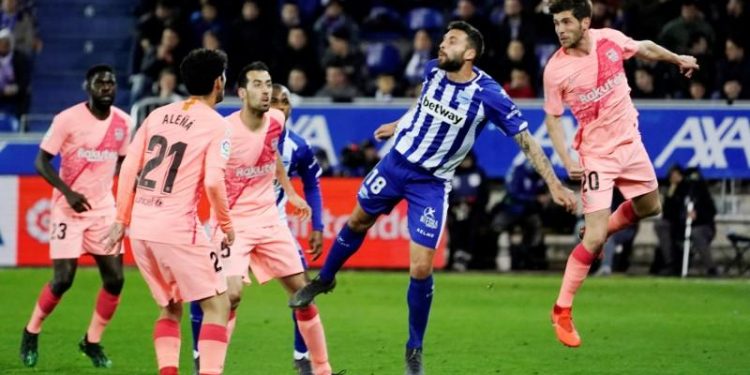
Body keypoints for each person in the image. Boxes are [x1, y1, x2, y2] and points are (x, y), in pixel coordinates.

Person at [290, 21, 576, 375]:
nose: (442, 45)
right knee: (357, 221)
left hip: (431, 183)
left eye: (451, 41)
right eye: (443, 39)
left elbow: (527, 142)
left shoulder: (489, 95)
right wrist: (399, 124)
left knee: (421, 266)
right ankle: (325, 279)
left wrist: (554, 184)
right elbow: (423, 104)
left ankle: (414, 348)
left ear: (469, 53)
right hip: (395, 164)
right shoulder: (433, 71)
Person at [542, 0, 700, 348]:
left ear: (585, 22)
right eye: (556, 23)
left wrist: (678, 59)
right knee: (595, 239)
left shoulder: (609, 39)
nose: (560, 29)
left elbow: (643, 47)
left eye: (566, 21)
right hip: (597, 156)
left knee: (650, 207)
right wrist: (566, 158)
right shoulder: (555, 70)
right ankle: (562, 309)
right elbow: (553, 118)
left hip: (631, 143)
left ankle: (600, 231)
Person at [188, 62, 336, 375]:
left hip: (270, 221)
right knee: (230, 296)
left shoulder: (277, 120)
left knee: (303, 294)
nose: (266, 90)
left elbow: (271, 155)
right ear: (241, 92)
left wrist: (290, 191)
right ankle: (210, 368)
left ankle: (321, 369)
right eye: (257, 84)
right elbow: (206, 176)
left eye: (268, 83)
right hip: (232, 225)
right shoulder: (222, 130)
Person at [102, 48, 235, 375]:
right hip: (178, 230)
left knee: (170, 307)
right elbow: (215, 183)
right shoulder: (217, 125)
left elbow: (129, 167)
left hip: (142, 230)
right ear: (219, 82)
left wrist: (121, 219)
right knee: (219, 305)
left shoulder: (158, 114)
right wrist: (226, 224)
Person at [19, 65, 130, 369]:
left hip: (103, 211)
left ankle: (91, 341)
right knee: (63, 280)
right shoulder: (67, 119)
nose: (107, 87)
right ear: (88, 87)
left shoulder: (124, 122)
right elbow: (41, 161)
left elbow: (122, 161)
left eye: (111, 83)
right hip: (69, 209)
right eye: (100, 83)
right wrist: (67, 192)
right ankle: (31, 331)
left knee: (116, 279)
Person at [272, 83, 326, 374]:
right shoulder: (239, 138)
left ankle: (302, 357)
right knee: (213, 291)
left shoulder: (298, 146)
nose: (281, 107)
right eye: (275, 102)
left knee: (303, 290)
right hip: (236, 225)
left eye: (285, 102)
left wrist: (317, 226)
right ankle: (198, 357)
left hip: (274, 226)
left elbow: (312, 184)